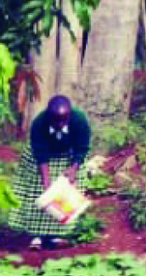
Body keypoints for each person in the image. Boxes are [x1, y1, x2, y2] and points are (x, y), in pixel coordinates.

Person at [9, 96, 92, 251]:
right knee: (39, 191)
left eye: (63, 120)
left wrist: (74, 169)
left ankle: (57, 235)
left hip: (69, 155)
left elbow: (82, 147)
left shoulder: (79, 120)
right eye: (56, 121)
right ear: (48, 116)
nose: (60, 124)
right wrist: (46, 182)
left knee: (66, 195)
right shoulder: (39, 123)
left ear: (69, 116)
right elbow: (40, 154)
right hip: (41, 158)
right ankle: (36, 236)